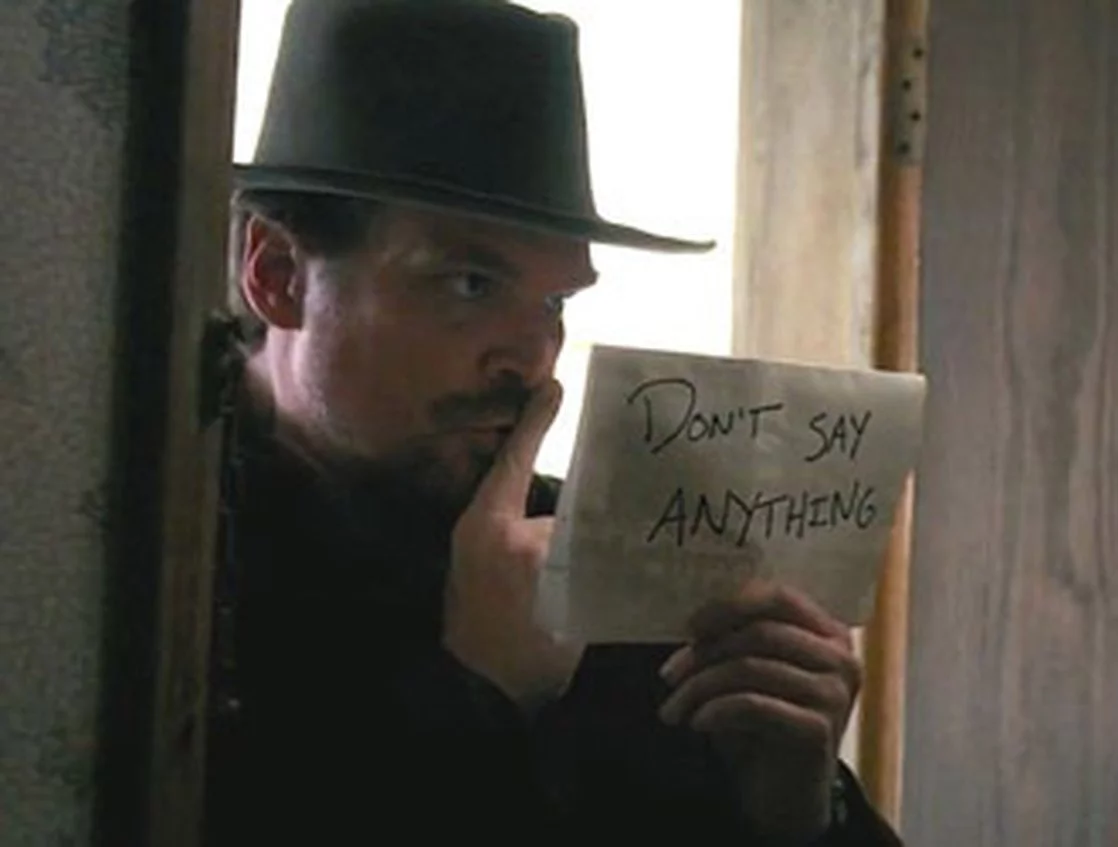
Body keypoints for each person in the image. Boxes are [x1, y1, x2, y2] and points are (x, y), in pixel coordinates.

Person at [202, 1, 900, 844]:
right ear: (279, 275)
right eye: (470, 284)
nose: (532, 358)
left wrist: (799, 809)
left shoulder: (603, 562)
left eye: (556, 302)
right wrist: (482, 689)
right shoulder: (163, 563)